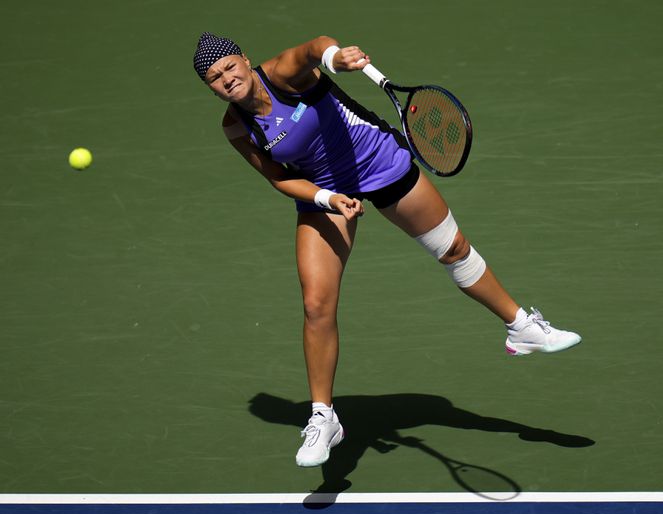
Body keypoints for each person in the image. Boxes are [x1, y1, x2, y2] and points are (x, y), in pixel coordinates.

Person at [193, 33, 582, 468]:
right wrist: (327, 199)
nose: (227, 79)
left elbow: (312, 48)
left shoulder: (282, 74)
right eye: (215, 78)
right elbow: (279, 178)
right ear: (209, 89)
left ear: (245, 60)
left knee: (453, 248)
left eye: (230, 67)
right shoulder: (235, 126)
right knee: (316, 304)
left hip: (376, 158)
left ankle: (521, 328)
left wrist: (334, 58)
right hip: (325, 189)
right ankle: (324, 418)